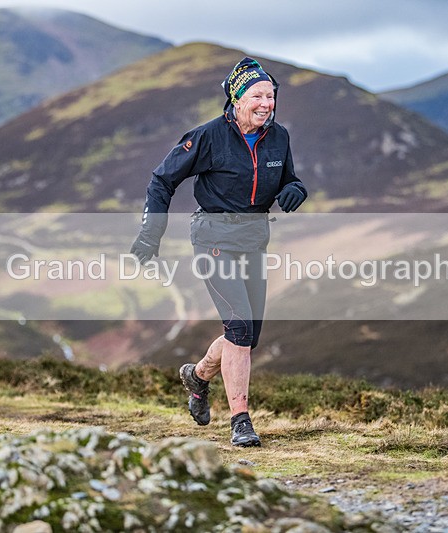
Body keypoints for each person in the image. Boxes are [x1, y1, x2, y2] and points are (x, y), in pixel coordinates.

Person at [130, 57, 307, 447]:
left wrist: (295, 189)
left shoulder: (278, 137)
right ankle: (240, 421)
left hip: (254, 240)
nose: (267, 104)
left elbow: (289, 179)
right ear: (237, 98)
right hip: (214, 239)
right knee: (239, 328)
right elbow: (161, 180)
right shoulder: (209, 136)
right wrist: (151, 232)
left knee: (245, 336)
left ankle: (197, 377)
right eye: (258, 96)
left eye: (271, 96)